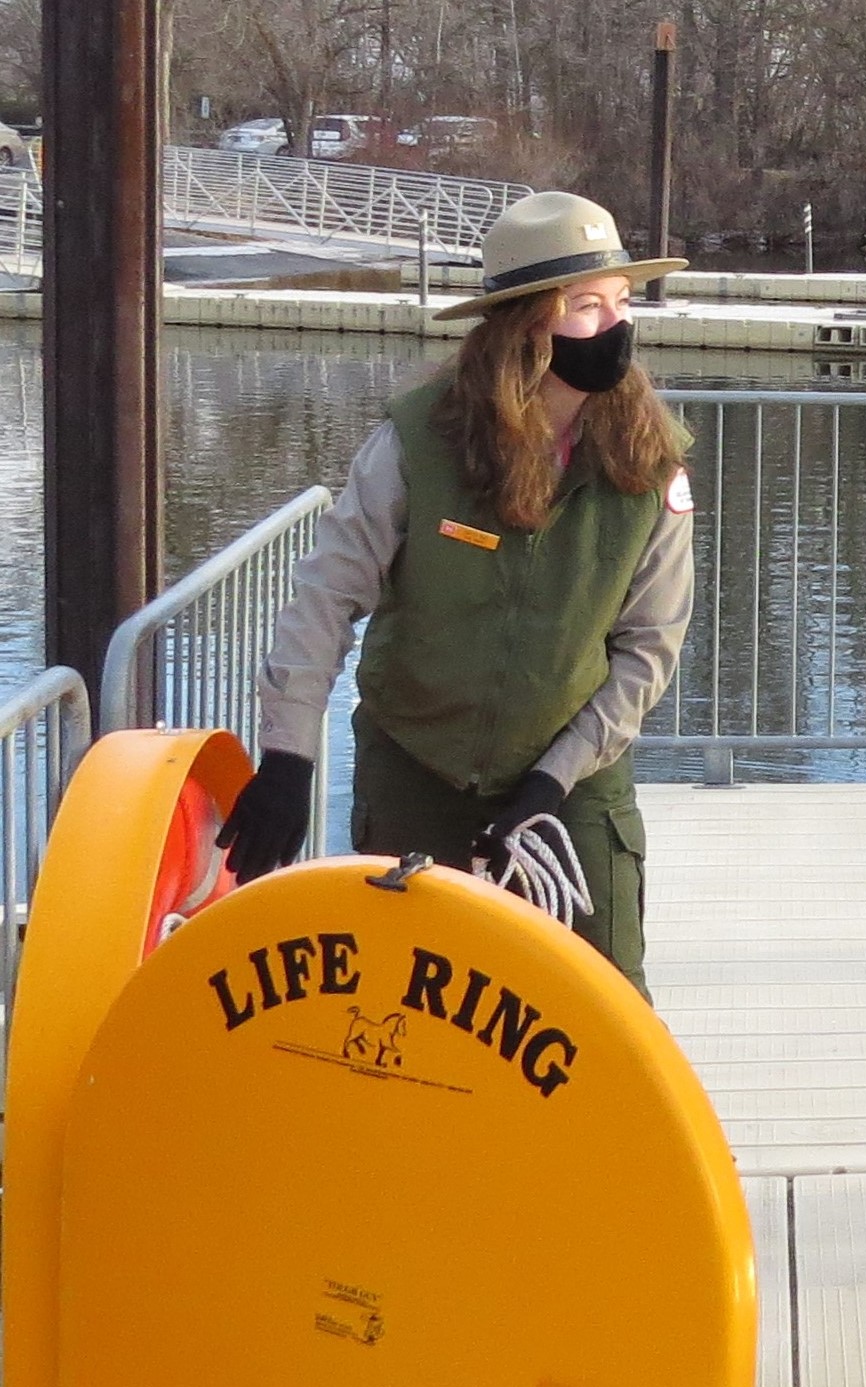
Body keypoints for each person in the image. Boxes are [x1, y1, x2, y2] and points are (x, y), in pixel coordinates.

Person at [216, 190, 694, 998]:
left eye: (619, 302)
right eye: (585, 307)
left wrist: (551, 781)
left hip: (570, 782)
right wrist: (287, 755)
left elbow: (649, 650)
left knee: (602, 1008)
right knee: (403, 1018)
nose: (615, 327)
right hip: (417, 770)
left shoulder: (653, 468)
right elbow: (327, 594)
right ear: (523, 325)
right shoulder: (415, 442)